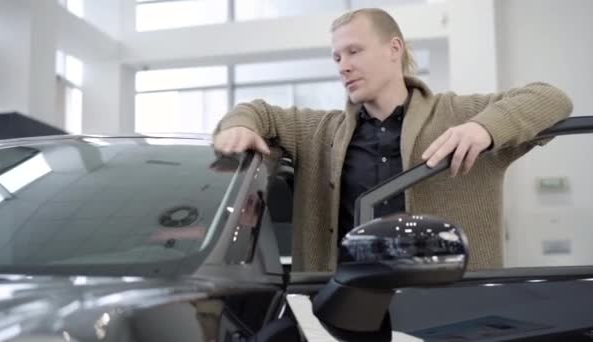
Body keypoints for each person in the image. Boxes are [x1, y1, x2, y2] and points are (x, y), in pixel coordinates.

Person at [212, 8, 573, 272]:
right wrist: (238, 125)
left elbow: (552, 99)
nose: (343, 66)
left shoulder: (458, 114)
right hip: (349, 308)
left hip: (451, 309)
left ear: (394, 48)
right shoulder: (320, 131)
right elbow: (256, 111)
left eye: (354, 51)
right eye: (337, 57)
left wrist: (483, 129)